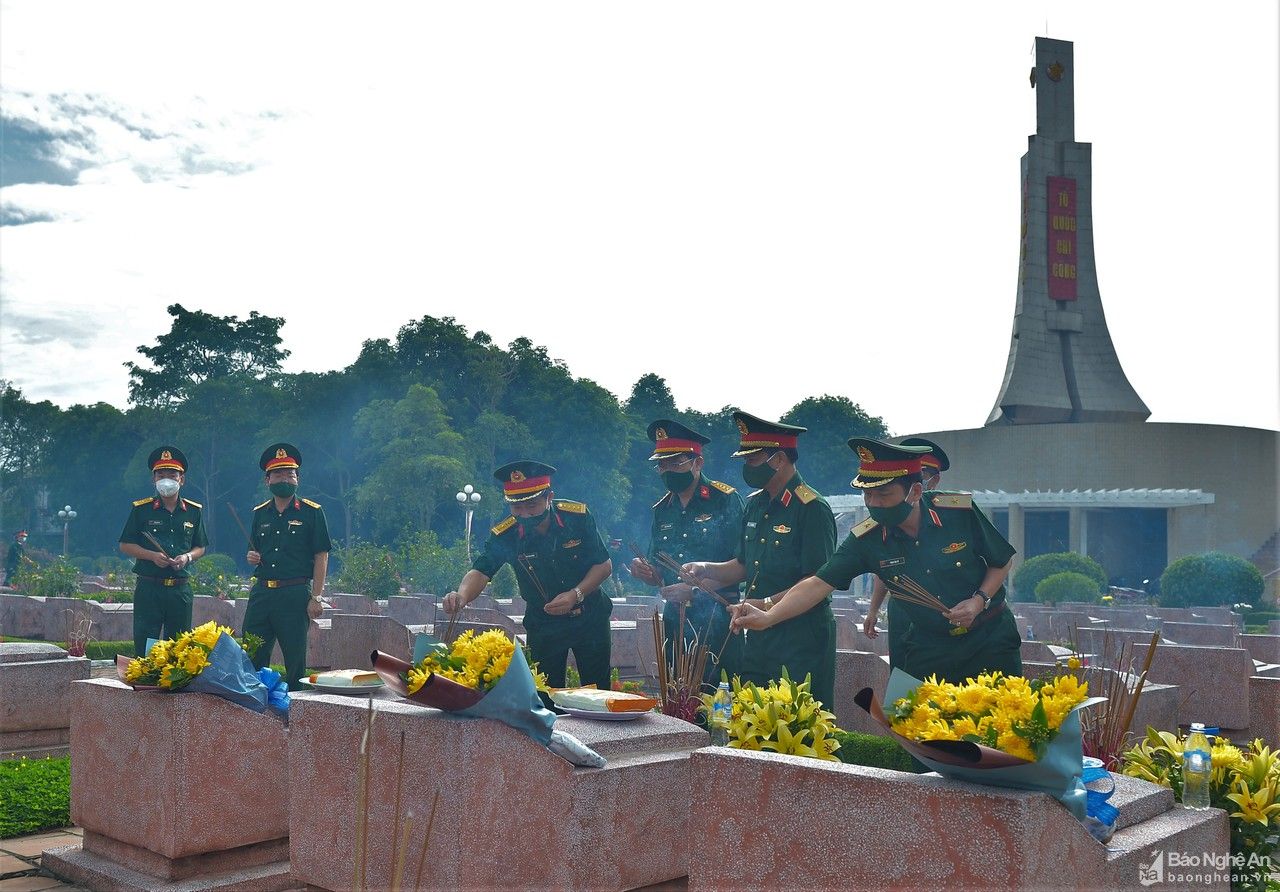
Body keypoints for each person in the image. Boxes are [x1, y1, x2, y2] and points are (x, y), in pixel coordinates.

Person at [732, 438, 1021, 684]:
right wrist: (770, 615)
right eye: (867, 494)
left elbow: (1002, 560)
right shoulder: (866, 539)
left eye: (883, 494)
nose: (873, 503)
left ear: (915, 491)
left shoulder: (957, 511)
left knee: (1005, 731)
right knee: (917, 734)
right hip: (928, 644)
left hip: (990, 637)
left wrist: (979, 600)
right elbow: (818, 583)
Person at [683, 412, 837, 707]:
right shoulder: (755, 504)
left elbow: (818, 582)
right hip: (757, 635)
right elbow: (742, 566)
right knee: (753, 720)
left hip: (800, 637)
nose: (746, 466)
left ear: (778, 459)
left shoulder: (811, 508)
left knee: (799, 723)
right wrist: (704, 568)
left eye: (752, 460)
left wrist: (766, 604)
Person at [443, 461, 614, 689]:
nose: (524, 513)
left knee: (598, 691)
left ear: (549, 497)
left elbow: (603, 565)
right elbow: (481, 570)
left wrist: (576, 594)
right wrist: (461, 596)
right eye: (517, 508)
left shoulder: (577, 517)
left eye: (532, 506)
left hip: (589, 615)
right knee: (544, 694)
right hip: (544, 622)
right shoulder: (507, 533)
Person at [628, 419, 745, 689]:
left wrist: (695, 591)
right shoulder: (662, 509)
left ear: (697, 463)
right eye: (662, 465)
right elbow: (657, 570)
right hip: (675, 620)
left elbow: (743, 564)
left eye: (675, 463)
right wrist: (644, 572)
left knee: (718, 701)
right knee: (677, 699)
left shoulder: (724, 500)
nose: (667, 470)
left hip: (718, 618)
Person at [244, 443, 330, 688]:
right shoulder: (260, 513)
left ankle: (294, 715)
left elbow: (322, 555)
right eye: (278, 473)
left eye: (290, 473)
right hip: (262, 593)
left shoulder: (312, 512)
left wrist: (317, 596)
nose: (285, 478)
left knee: (295, 660)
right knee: (252, 654)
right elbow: (255, 550)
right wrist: (252, 557)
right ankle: (252, 713)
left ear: (298, 478)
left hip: (294, 593)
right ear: (267, 480)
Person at [863, 437, 951, 669]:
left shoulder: (951, 514)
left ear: (934, 480)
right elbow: (885, 568)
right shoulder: (889, 514)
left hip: (944, 609)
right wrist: (874, 609)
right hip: (904, 605)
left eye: (922, 474)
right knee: (903, 674)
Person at [118, 447, 208, 658]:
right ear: (154, 479)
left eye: (172, 475)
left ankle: (175, 688)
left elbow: (200, 546)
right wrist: (152, 556)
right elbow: (125, 545)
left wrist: (187, 557)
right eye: (161, 475)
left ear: (182, 479)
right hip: (150, 586)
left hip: (180, 588)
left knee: (179, 644)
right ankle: (147, 684)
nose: (166, 479)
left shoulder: (194, 511)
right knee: (146, 642)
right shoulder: (141, 509)